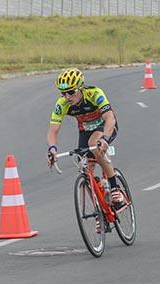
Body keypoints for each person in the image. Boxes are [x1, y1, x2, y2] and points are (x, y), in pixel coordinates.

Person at [46, 68, 125, 210]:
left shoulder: (94, 93)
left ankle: (115, 188)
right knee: (84, 169)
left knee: (94, 144)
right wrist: (52, 149)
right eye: (63, 93)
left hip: (106, 126)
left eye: (71, 92)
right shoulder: (62, 104)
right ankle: (99, 212)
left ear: (81, 87)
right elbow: (53, 130)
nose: (67, 96)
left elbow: (110, 118)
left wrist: (105, 139)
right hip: (85, 131)